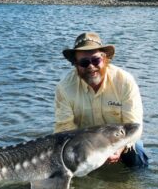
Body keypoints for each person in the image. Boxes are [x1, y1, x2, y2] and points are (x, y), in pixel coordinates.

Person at [54, 32, 148, 167]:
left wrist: (119, 149)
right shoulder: (64, 88)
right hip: (84, 147)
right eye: (84, 62)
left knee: (137, 151)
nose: (91, 66)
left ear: (105, 59)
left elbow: (133, 125)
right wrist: (91, 152)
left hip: (118, 142)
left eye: (96, 60)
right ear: (75, 64)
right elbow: (64, 130)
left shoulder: (125, 82)